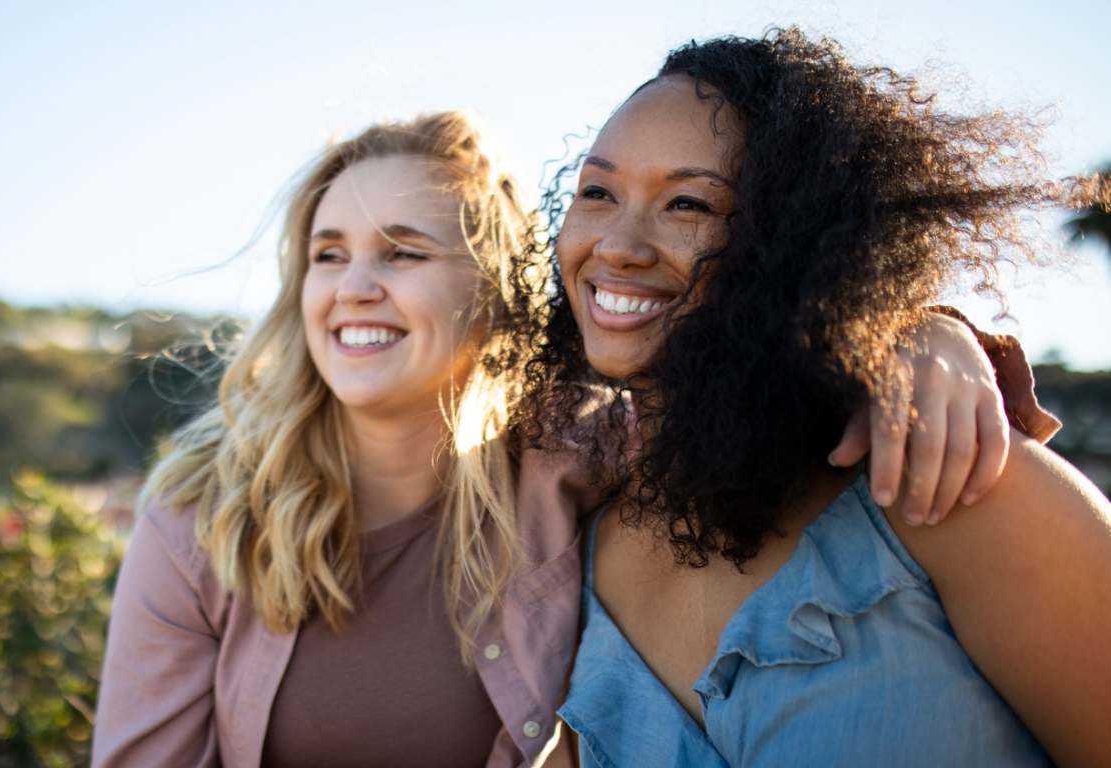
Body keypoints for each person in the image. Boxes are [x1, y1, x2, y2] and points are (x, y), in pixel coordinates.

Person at [91, 111, 1047, 767]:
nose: (354, 286)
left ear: (494, 288)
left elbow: (765, 388)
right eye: (328, 254)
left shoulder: (586, 461)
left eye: (403, 252)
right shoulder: (204, 520)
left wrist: (922, 331)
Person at [536, 29, 1111, 766]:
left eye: (687, 204)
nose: (617, 244)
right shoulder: (571, 549)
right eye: (597, 191)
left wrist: (919, 328)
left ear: (798, 236)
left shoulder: (952, 479)